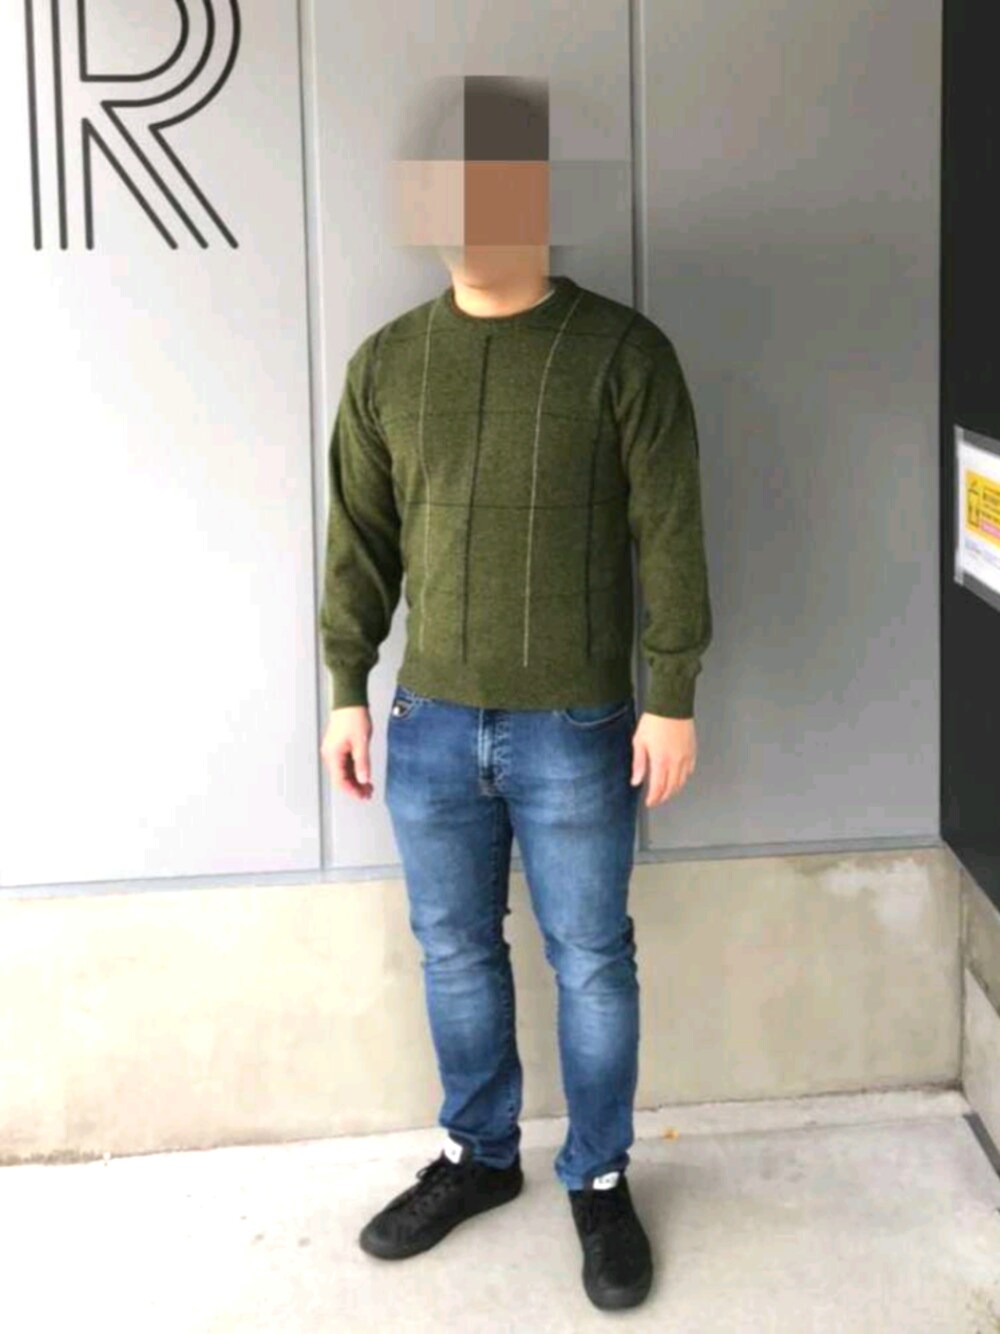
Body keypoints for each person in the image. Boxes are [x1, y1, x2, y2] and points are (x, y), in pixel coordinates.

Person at [318, 77, 713, 1313]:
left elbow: (670, 533)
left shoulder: (624, 355)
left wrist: (672, 691)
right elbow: (359, 544)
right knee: (453, 950)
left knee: (591, 959)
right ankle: (479, 1155)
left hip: (579, 726)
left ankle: (597, 1175)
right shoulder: (388, 363)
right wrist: (343, 684)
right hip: (429, 723)